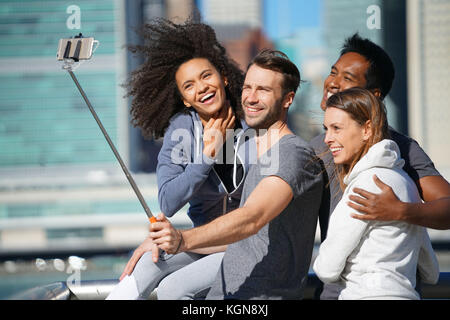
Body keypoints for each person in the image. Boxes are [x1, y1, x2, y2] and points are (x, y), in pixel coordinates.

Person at [149, 49, 323, 299]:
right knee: (158, 275)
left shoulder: (291, 154)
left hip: (260, 297)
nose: (251, 98)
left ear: (288, 99)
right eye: (248, 88)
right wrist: (167, 242)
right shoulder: (257, 153)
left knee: (172, 288)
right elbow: (247, 239)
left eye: (263, 90)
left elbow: (251, 219)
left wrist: (183, 239)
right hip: (231, 291)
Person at [106, 18, 250, 300]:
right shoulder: (182, 128)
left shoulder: (252, 125)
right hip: (202, 242)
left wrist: (181, 240)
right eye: (189, 85)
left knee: (174, 288)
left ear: (224, 76)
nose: (202, 88)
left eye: (207, 76)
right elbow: (168, 202)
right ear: (184, 98)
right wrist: (207, 155)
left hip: (246, 244)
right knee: (149, 261)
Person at [311, 34, 450, 240]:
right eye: (333, 72)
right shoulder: (315, 147)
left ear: (373, 95)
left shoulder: (401, 147)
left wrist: (400, 211)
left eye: (347, 78)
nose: (333, 82)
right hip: (334, 271)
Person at [312, 88, 439, 299]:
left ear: (367, 129)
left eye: (336, 128)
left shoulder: (365, 186)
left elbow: (327, 269)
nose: (327, 138)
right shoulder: (406, 183)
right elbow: (432, 272)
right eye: (326, 129)